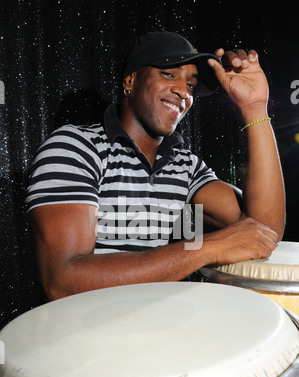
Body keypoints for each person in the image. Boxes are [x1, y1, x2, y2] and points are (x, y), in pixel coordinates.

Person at [26, 31, 285, 301]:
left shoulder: (185, 166)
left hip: (160, 328)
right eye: (168, 74)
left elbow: (262, 230)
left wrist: (255, 108)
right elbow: (62, 281)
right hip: (85, 336)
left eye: (191, 84)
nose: (183, 91)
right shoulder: (76, 146)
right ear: (130, 80)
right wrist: (204, 249)